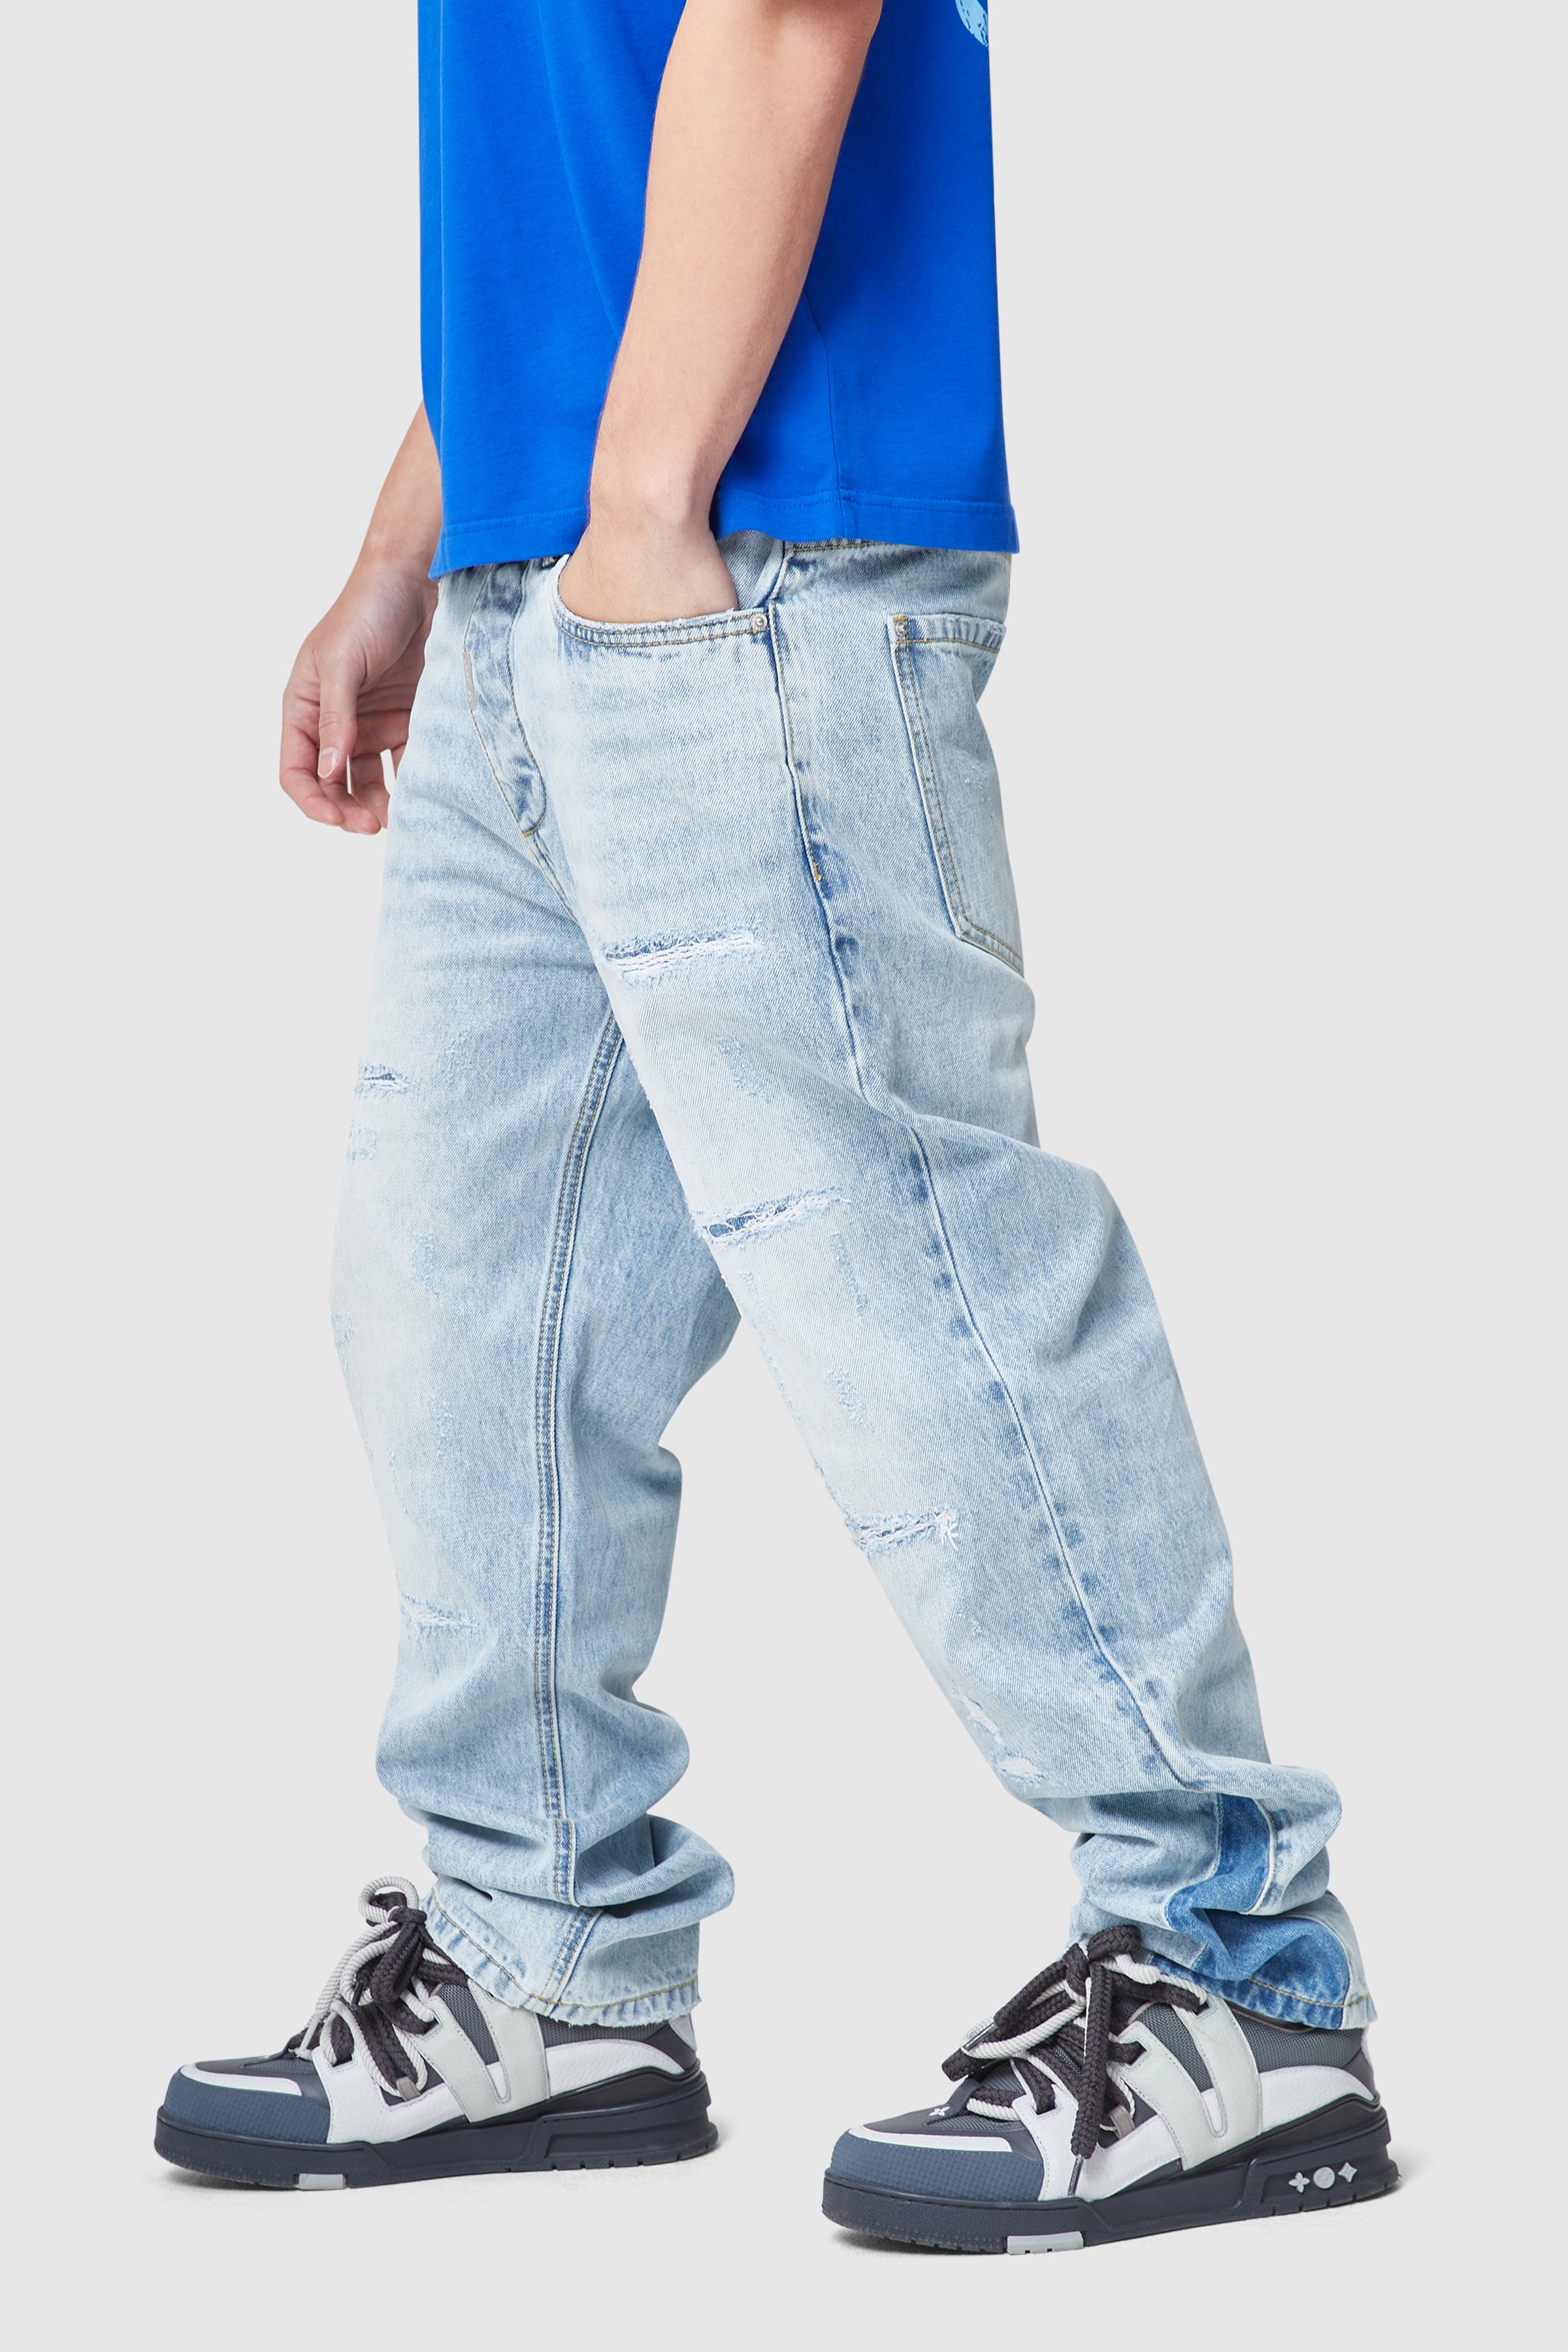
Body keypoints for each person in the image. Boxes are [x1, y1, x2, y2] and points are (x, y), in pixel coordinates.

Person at [155, 0, 1395, 2245]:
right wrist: (416, 540)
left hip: (752, 539)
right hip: (550, 560)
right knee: (453, 1291)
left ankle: (1239, 1964)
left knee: (909, 1272)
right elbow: (574, 160)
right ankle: (550, 1956)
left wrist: (645, 500)